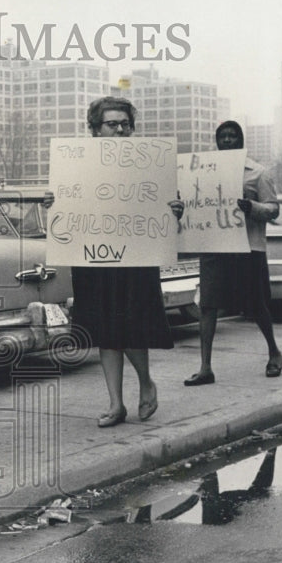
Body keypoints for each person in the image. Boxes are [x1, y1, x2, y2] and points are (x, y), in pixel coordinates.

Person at [70, 96, 184, 428]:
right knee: (106, 327)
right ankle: (116, 403)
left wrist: (175, 211)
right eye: (112, 124)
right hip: (96, 256)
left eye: (125, 124)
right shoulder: (77, 165)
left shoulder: (151, 164)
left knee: (132, 324)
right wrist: (56, 200)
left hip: (136, 254)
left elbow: (168, 212)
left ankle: (146, 382)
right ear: (95, 130)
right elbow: (69, 209)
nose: (120, 130)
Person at [184, 120, 282, 385]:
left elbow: (274, 209)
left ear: (241, 140)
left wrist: (250, 206)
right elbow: (192, 203)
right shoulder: (203, 172)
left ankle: (274, 351)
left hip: (247, 247)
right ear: (217, 141)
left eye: (232, 136)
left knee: (257, 304)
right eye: (222, 137)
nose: (227, 141)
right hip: (215, 246)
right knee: (208, 305)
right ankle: (205, 367)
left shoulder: (258, 173)